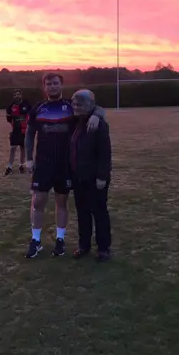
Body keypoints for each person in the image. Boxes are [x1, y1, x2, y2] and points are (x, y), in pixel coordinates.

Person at [24, 72, 105, 258]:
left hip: (65, 164)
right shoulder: (38, 108)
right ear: (44, 87)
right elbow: (29, 134)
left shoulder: (71, 106)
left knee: (62, 202)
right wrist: (29, 158)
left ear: (61, 85)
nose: (52, 87)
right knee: (38, 202)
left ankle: (60, 240)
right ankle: (36, 241)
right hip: (43, 164)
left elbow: (97, 108)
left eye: (55, 83)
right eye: (48, 84)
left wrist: (96, 116)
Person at [68, 89, 112, 262]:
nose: (76, 106)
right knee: (82, 213)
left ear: (90, 106)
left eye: (81, 104)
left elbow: (104, 154)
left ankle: (103, 248)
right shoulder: (75, 122)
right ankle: (83, 245)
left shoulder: (99, 125)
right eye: (75, 103)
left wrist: (102, 176)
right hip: (78, 177)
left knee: (99, 213)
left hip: (95, 178)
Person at [4, 89, 30, 175]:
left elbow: (29, 116)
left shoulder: (26, 105)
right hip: (15, 130)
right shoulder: (11, 106)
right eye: (15, 95)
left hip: (25, 130)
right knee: (13, 148)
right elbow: (9, 119)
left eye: (18, 94)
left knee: (23, 148)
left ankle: (21, 165)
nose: (17, 96)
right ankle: (9, 166)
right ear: (13, 96)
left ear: (21, 95)